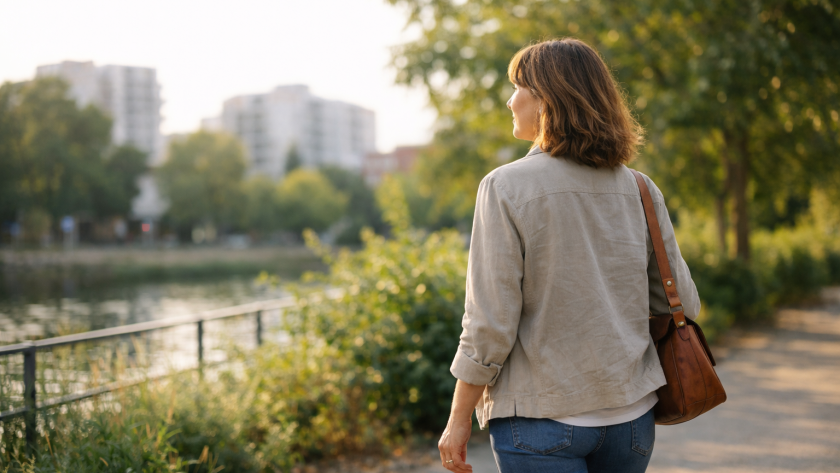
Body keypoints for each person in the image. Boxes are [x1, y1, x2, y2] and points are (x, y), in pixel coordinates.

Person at [437, 38, 700, 473]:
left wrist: (458, 416)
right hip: (631, 421)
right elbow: (683, 303)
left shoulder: (505, 187)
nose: (510, 101)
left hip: (541, 422)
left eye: (518, 87)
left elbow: (490, 325)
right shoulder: (639, 187)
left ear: (546, 100)